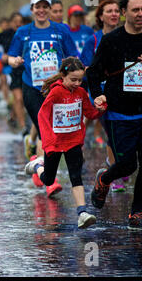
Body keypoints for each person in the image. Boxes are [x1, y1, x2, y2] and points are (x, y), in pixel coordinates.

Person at [87, 0, 142, 231]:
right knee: (127, 165)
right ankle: (104, 178)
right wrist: (97, 94)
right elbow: (93, 73)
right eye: (136, 10)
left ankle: (136, 214)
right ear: (124, 12)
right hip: (119, 115)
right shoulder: (112, 41)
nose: (141, 14)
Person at [8, 0, 79, 197]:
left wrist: (73, 77)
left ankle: (38, 166)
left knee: (51, 132)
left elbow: (72, 56)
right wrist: (14, 62)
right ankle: (50, 179)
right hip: (32, 88)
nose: (41, 10)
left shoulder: (61, 30)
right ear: (31, 10)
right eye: (37, 7)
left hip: (56, 89)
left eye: (44, 7)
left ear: (49, 9)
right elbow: (11, 56)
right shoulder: (23, 32)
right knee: (44, 131)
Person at [25, 57, 105, 228]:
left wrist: (99, 111)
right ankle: (37, 166)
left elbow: (89, 113)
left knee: (76, 176)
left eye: (80, 80)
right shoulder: (55, 93)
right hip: (54, 143)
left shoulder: (81, 93)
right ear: (63, 76)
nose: (77, 83)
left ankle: (82, 212)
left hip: (74, 141)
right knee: (48, 179)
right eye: (73, 80)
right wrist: (48, 140)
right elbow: (42, 116)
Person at [81, 0, 126, 191]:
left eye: (117, 11)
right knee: (111, 131)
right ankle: (113, 171)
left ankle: (115, 162)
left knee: (123, 132)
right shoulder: (94, 39)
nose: (114, 14)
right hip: (100, 93)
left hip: (123, 92)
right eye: (109, 11)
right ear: (101, 16)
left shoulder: (127, 37)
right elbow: (84, 67)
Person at [0, 12, 27, 136]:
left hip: (27, 69)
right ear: (11, 23)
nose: (18, 23)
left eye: (20, 21)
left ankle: (12, 115)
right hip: (11, 69)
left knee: (24, 100)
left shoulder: (27, 33)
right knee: (18, 98)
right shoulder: (5, 34)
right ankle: (23, 127)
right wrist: (2, 56)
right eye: (15, 21)